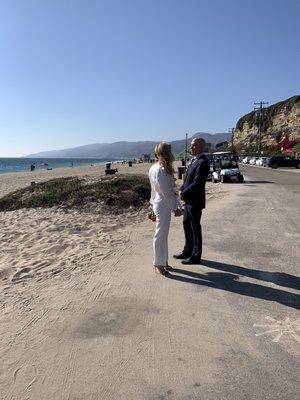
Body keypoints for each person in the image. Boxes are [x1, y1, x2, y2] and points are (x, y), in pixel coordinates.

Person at [174, 138, 209, 265]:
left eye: (194, 146)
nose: (191, 148)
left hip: (195, 201)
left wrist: (183, 193)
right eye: (191, 146)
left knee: (195, 229)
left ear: (201, 147)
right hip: (188, 201)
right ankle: (187, 250)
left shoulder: (203, 162)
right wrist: (182, 189)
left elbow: (197, 183)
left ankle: (196, 256)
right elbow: (187, 180)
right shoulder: (194, 160)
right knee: (186, 225)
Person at [149, 142, 182, 275]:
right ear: (166, 152)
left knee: (163, 235)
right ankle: (158, 263)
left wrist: (151, 205)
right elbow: (166, 192)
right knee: (160, 234)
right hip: (163, 203)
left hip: (159, 202)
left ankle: (164, 261)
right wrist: (176, 207)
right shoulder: (161, 169)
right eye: (170, 150)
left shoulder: (155, 167)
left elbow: (154, 190)